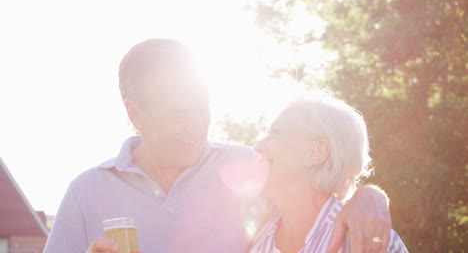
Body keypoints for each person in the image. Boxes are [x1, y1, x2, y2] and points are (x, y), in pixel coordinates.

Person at [44, 39, 393, 253]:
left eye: (202, 109)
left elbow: (319, 190)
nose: (196, 127)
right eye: (179, 115)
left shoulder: (247, 170)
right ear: (136, 112)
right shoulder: (86, 193)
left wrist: (369, 196)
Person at [249, 89, 408, 253]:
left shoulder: (369, 243)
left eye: (275, 134)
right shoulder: (258, 238)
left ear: (317, 151)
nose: (257, 146)